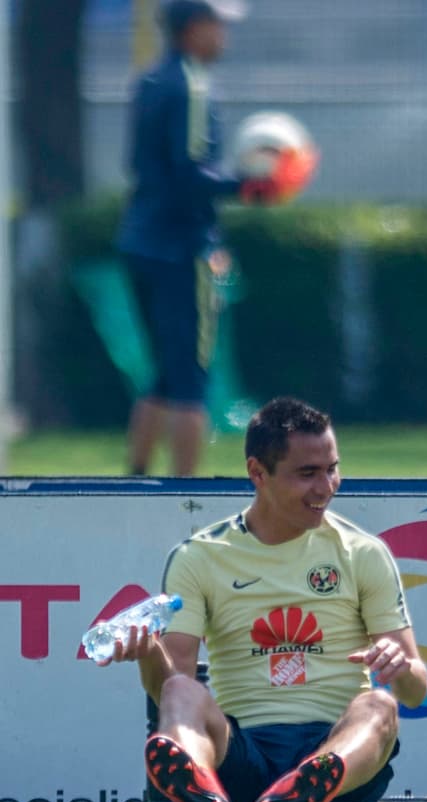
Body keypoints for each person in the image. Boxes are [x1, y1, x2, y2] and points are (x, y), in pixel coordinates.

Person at [98, 396, 427, 802]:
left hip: (337, 745)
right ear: (258, 472)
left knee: (380, 707)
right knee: (182, 691)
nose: (326, 487)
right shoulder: (200, 556)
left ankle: (313, 780)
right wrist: (148, 652)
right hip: (244, 753)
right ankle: (197, 780)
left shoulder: (363, 553)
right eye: (307, 474)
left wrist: (399, 666)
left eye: (332, 469)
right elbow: (171, 685)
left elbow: (416, 691)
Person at [117, 0, 286, 476]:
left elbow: (143, 166)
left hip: (140, 238)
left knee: (164, 373)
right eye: (218, 26)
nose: (223, 37)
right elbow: (191, 173)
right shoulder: (190, 84)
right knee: (191, 378)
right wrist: (252, 185)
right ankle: (183, 496)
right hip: (180, 247)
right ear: (193, 29)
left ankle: (135, 479)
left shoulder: (150, 81)